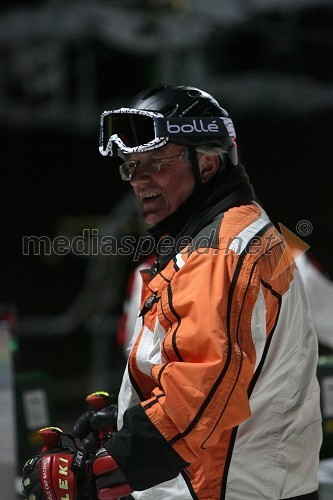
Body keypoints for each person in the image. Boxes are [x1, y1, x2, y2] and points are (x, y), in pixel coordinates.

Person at [22, 84, 322, 500]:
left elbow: (201, 387)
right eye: (131, 167)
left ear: (209, 162)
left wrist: (98, 473)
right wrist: (132, 414)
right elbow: (211, 368)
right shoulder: (225, 235)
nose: (139, 181)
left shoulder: (222, 250)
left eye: (155, 163)